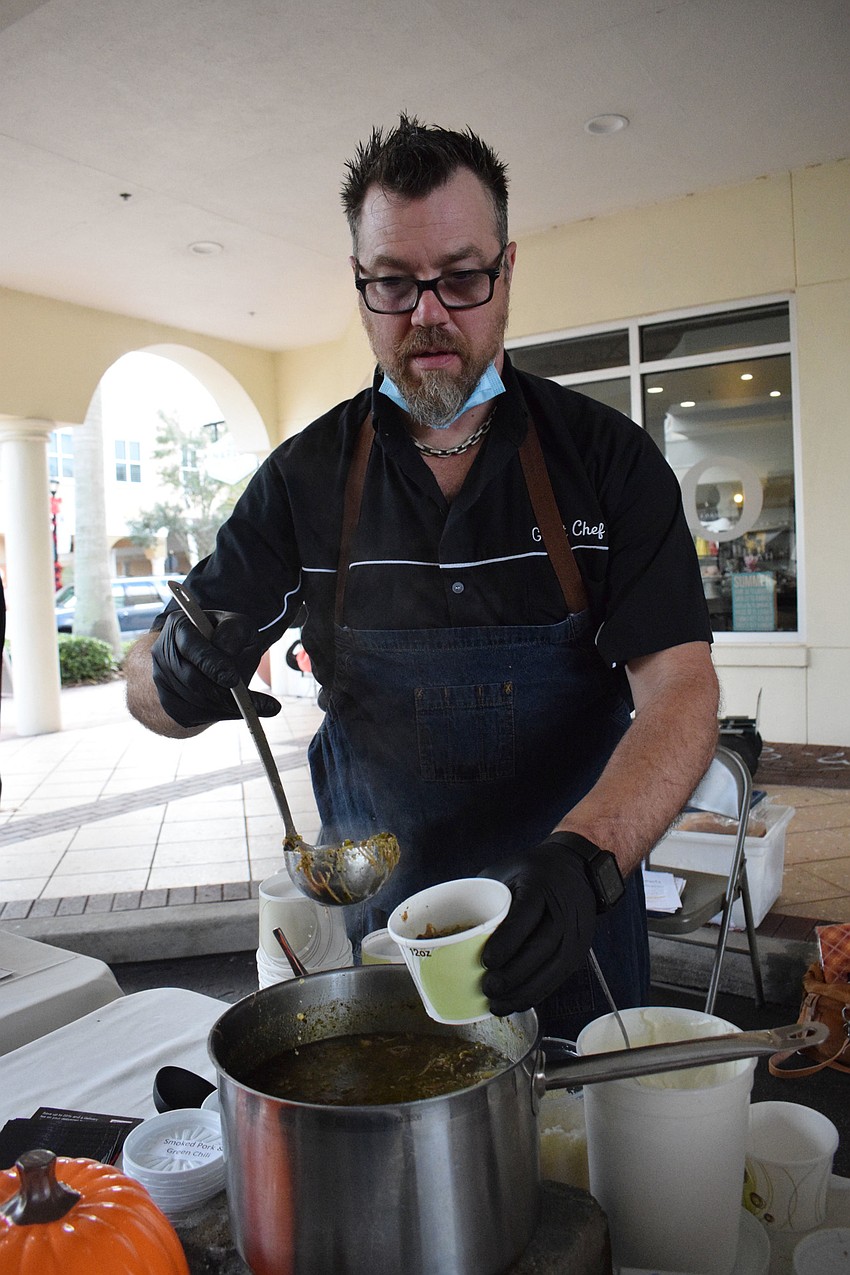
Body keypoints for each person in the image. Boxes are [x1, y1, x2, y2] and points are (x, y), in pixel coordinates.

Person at [126, 114, 719, 1040]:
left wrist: (587, 863)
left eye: (462, 276)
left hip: (573, 925)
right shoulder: (303, 481)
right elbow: (146, 690)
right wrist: (173, 675)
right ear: (360, 289)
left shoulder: (607, 461)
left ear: (508, 270)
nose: (429, 313)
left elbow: (681, 691)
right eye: (395, 284)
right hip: (383, 949)